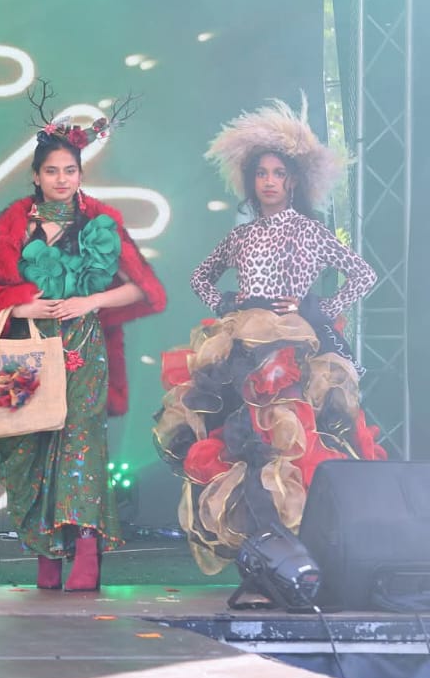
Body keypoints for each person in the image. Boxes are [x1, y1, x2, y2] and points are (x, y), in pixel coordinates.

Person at [155, 98, 383, 577]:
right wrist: (226, 304)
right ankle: (259, 559)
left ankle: (298, 557)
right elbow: (200, 277)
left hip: (294, 351)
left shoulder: (309, 231)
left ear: (293, 181)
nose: (270, 181)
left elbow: (363, 275)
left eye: (279, 173)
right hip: (241, 350)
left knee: (293, 445)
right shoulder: (241, 237)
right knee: (243, 447)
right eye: (261, 173)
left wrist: (317, 309)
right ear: (250, 181)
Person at [0, 90, 166, 591]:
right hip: (24, 349)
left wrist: (89, 302)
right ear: (35, 175)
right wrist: (19, 306)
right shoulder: (11, 225)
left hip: (81, 349)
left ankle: (86, 549)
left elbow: (142, 288)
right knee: (27, 446)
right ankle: (46, 551)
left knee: (79, 446)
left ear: (81, 174)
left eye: (70, 171)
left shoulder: (99, 222)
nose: (61, 179)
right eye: (52, 171)